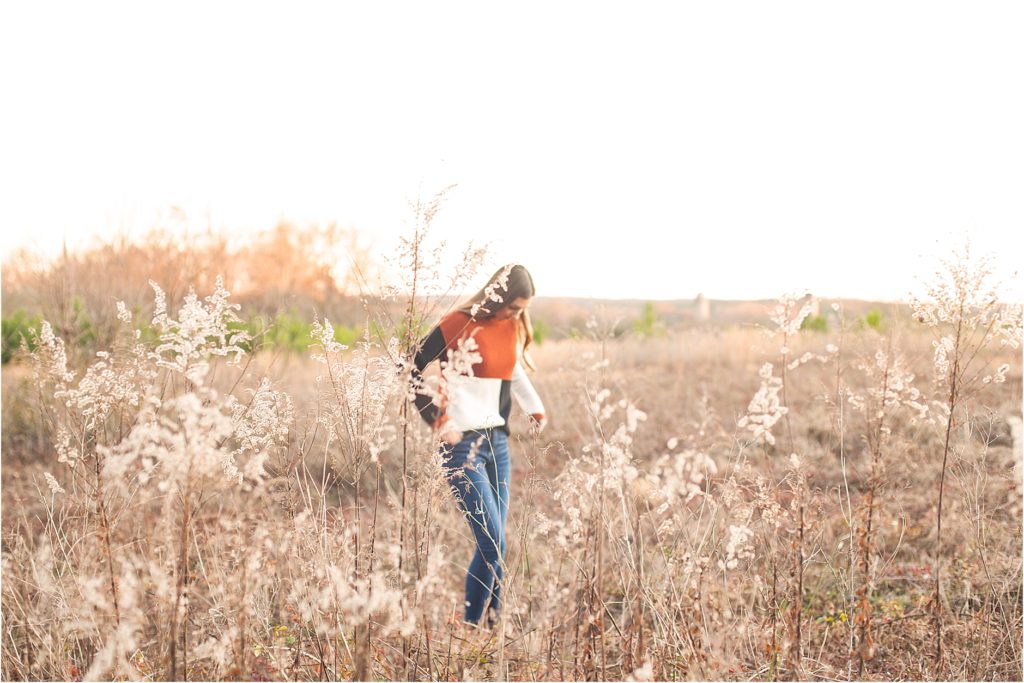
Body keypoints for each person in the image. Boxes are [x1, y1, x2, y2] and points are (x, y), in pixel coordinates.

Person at [412, 264, 547, 628]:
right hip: (462, 448)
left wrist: (534, 407)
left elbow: (513, 369)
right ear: (499, 297)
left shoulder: (511, 325)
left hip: (497, 445)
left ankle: (491, 625)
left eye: (523, 310)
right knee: (493, 543)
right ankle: (473, 628)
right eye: (515, 307)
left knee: (496, 544)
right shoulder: (457, 323)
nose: (518, 315)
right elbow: (412, 367)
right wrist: (438, 420)